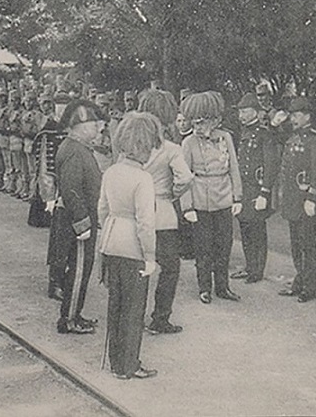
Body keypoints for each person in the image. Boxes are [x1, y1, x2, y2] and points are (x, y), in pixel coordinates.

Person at [98, 112, 160, 379]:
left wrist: (110, 231)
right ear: (142, 146)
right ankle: (129, 364)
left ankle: (115, 363)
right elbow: (146, 222)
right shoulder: (142, 178)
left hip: (111, 242)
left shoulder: (111, 172)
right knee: (134, 309)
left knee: (116, 305)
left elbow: (102, 209)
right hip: (134, 246)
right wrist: (150, 256)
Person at [137, 91, 192, 334]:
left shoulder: (133, 146)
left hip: (137, 211)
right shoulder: (171, 148)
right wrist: (172, 194)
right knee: (170, 267)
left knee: (140, 265)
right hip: (162, 212)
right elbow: (186, 178)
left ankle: (134, 316)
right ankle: (160, 318)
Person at [180, 92, 243, 304]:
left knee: (224, 246)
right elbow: (184, 177)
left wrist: (237, 197)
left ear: (214, 120)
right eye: (194, 122)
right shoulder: (188, 143)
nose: (197, 126)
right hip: (200, 199)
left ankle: (223, 287)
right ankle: (204, 287)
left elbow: (234, 167)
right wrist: (187, 207)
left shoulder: (225, 138)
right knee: (203, 247)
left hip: (223, 197)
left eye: (202, 122)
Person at [52, 99, 106, 334]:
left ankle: (75, 314)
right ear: (82, 127)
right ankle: (69, 319)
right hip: (79, 220)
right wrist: (83, 222)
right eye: (94, 126)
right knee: (78, 270)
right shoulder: (75, 151)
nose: (98, 131)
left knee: (80, 269)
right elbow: (71, 189)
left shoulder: (76, 148)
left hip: (79, 218)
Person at [277, 97, 316, 303]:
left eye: (297, 115)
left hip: (306, 201)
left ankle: (309, 286)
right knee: (296, 245)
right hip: (292, 200)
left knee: (307, 245)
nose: (293, 119)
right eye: (292, 115)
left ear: (307, 116)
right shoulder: (293, 137)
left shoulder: (315, 140)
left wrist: (313, 197)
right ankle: (300, 280)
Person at [231, 92, 281, 284]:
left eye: (245, 111)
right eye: (240, 112)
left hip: (257, 188)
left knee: (257, 230)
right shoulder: (242, 132)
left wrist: (265, 192)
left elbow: (271, 164)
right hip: (243, 188)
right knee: (244, 227)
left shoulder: (264, 134)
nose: (241, 115)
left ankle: (257, 270)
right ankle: (249, 266)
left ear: (256, 112)